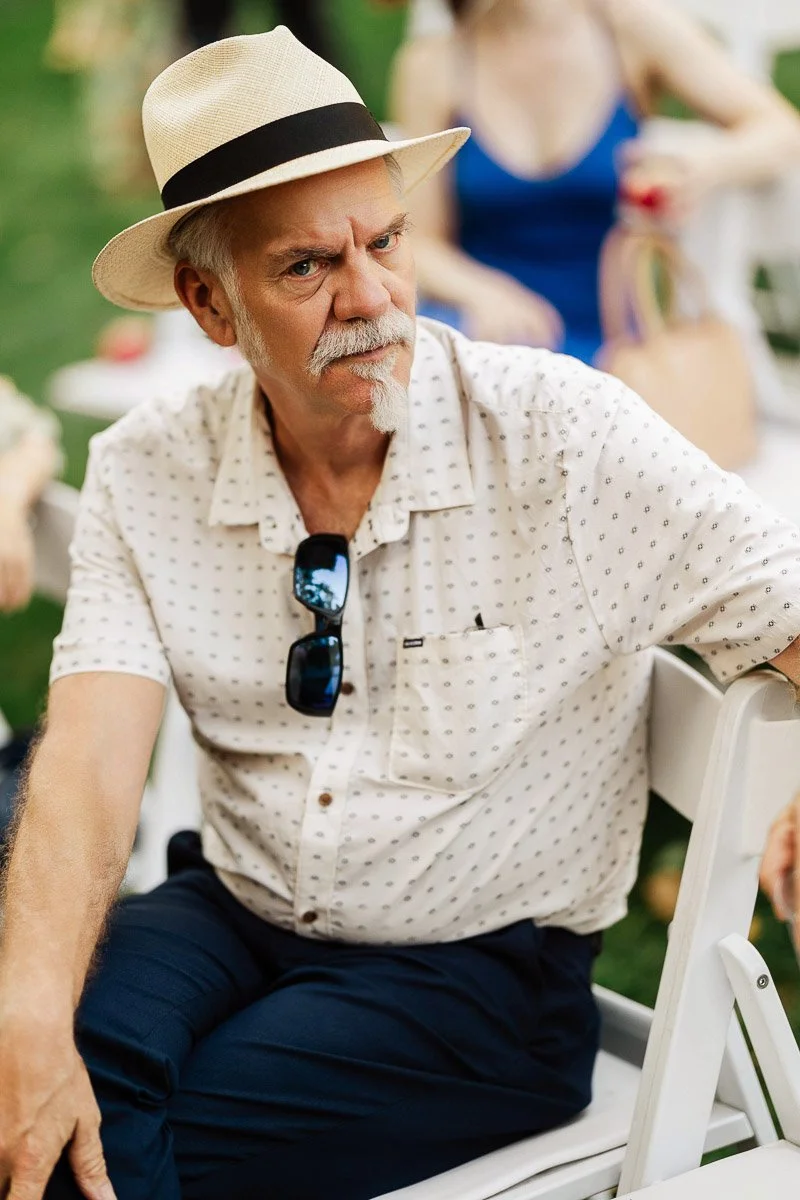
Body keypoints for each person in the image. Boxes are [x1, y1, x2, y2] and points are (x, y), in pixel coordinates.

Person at [2, 26, 800, 1200]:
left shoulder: (558, 436)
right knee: (28, 1072)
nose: (372, 298)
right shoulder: (149, 465)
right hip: (232, 908)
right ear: (209, 306)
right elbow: (85, 763)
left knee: (87, 1146)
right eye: (306, 269)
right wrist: (27, 1014)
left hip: (477, 978)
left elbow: (783, 602)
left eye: (383, 241)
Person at [390, 0, 800, 361]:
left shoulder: (629, 28)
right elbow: (420, 239)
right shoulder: (435, 64)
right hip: (483, 331)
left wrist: (701, 166)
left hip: (608, 340)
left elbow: (781, 128)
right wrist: (483, 293)